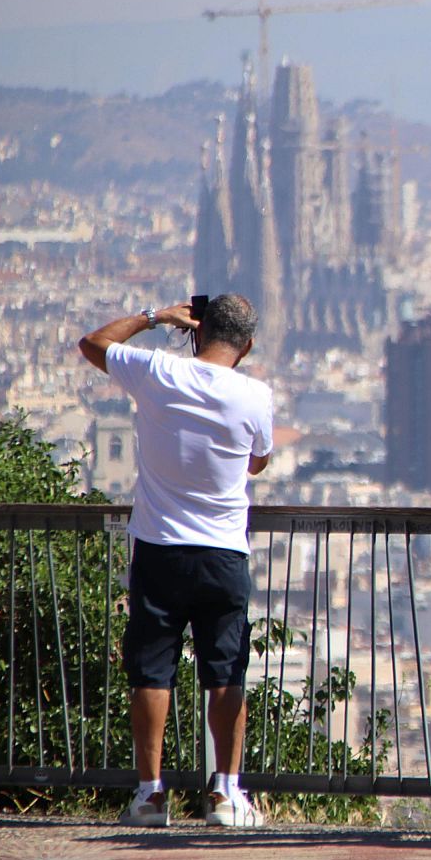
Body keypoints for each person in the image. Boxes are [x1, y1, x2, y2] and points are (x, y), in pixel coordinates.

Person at [78, 295, 274, 828]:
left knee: (152, 672)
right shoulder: (255, 395)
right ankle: (227, 795)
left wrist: (153, 317)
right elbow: (257, 461)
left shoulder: (158, 371)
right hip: (224, 551)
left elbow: (93, 343)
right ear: (248, 345)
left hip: (159, 548)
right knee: (226, 671)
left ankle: (149, 794)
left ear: (197, 329)